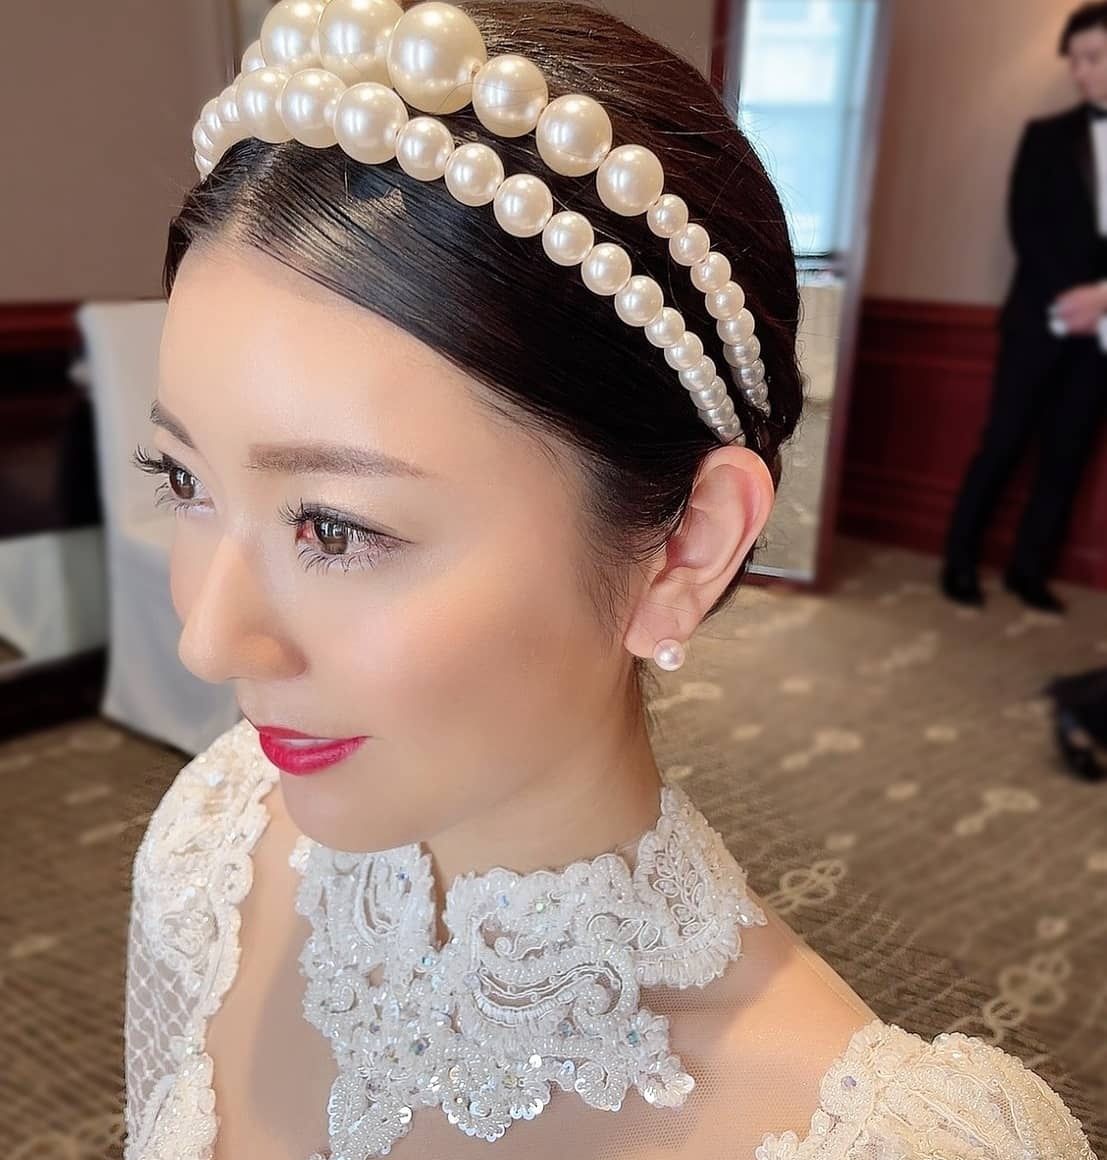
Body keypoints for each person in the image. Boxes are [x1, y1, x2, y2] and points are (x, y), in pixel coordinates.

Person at [122, 2, 1099, 1157]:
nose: (206, 639)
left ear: (686, 546)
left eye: (335, 527)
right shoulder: (213, 843)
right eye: (183, 479)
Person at [941, 1, 1107, 615]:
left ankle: (1028, 572)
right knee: (1003, 442)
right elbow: (1026, 228)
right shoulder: (1046, 136)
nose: (1080, 71)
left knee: (1068, 453)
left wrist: (1102, 299)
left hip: (1103, 332)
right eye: (1075, 60)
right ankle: (959, 561)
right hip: (1038, 319)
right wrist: (1074, 297)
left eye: (1094, 57)